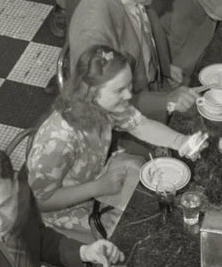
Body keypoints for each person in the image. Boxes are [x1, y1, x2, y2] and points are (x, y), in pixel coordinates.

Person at [28, 47, 207, 239]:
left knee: (154, 201)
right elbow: (39, 201)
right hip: (60, 213)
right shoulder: (59, 140)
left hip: (95, 180)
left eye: (129, 86)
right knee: (131, 235)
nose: (129, 96)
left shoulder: (104, 106)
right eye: (119, 90)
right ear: (91, 92)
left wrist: (182, 142)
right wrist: (97, 187)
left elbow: (140, 125)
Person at [70, 0, 200, 112]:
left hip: (148, 80)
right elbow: (98, 103)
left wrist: (162, 67)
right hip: (123, 109)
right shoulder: (93, 32)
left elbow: (142, 29)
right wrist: (164, 102)